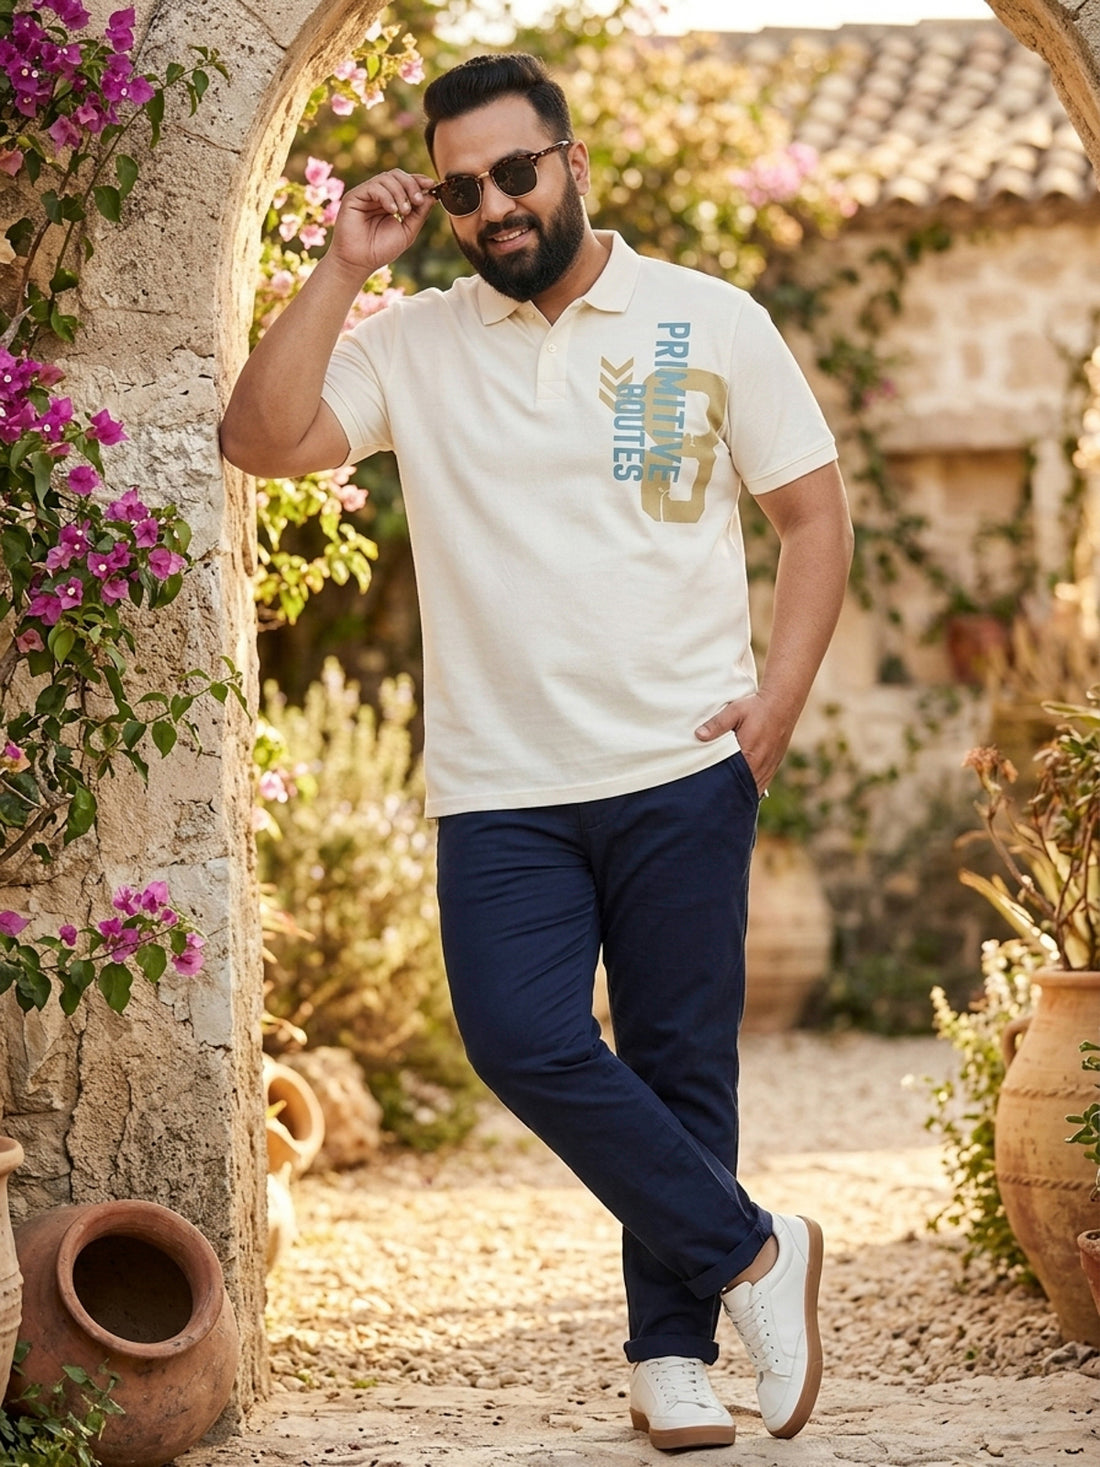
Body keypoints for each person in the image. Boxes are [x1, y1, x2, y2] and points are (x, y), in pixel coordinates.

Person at [221, 52, 853, 1452]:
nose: (495, 206)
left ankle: (672, 1357)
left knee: (682, 1067)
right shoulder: (412, 344)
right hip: (503, 784)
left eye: (516, 172)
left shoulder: (708, 317)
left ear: (572, 163)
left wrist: (778, 703)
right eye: (463, 189)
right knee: (519, 1037)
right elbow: (259, 438)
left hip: (683, 765)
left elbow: (814, 514)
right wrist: (342, 268)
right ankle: (758, 1254)